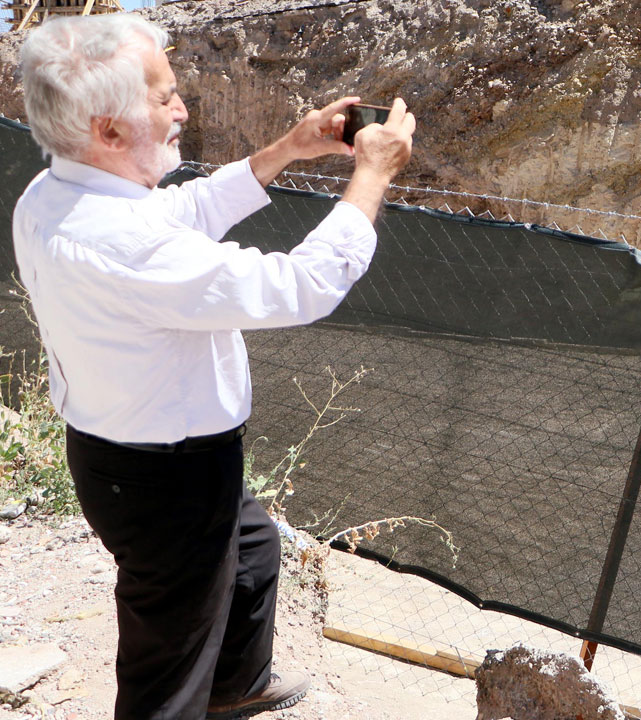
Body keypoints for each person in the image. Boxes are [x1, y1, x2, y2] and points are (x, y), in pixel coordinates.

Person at [12, 13, 414, 720]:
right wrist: (372, 174)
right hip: (166, 480)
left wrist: (287, 150)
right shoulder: (126, 244)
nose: (182, 110)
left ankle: (237, 685)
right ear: (106, 130)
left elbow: (178, 212)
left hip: (137, 459)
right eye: (163, 97)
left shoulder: (54, 195)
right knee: (167, 669)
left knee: (253, 553)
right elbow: (302, 286)